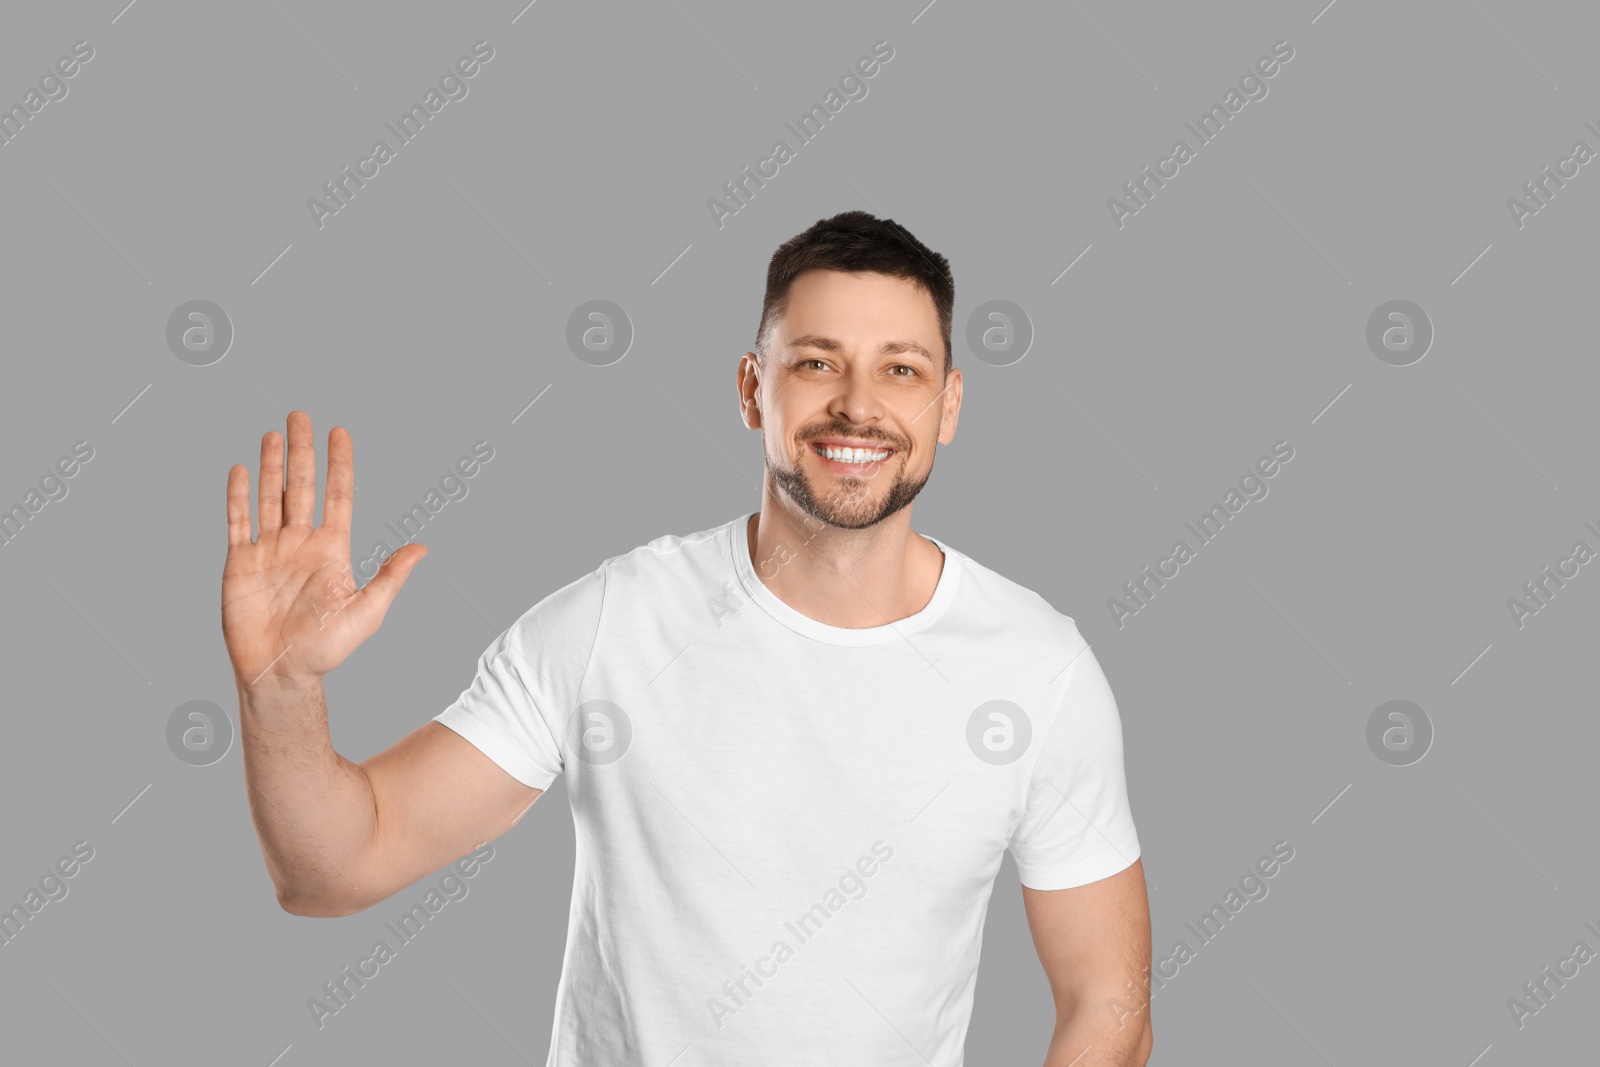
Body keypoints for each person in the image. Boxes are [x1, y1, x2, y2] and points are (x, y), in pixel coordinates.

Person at [222, 210, 1152, 1065]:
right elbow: (332, 871)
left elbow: (1108, 1000)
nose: (858, 406)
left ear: (948, 405)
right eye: (817, 361)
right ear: (753, 389)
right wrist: (280, 687)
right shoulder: (610, 626)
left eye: (900, 369)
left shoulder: (1038, 670)